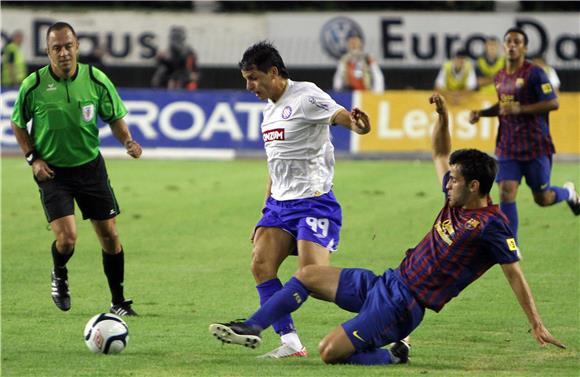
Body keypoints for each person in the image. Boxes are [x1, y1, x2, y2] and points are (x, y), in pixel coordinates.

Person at [209, 93, 565, 365]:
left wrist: (536, 323)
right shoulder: (455, 200)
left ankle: (394, 356)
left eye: (454, 180)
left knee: (328, 352)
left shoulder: (491, 225)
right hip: (387, 282)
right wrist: (442, 116)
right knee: (308, 274)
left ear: (474, 186)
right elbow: (441, 153)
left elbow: (515, 274)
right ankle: (252, 326)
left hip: (404, 306)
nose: (446, 183)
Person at [235, 41, 371, 359]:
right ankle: (291, 344)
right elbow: (275, 164)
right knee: (260, 265)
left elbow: (341, 116)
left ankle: (387, 307)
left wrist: (359, 125)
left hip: (313, 202)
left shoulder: (306, 95)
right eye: (245, 78)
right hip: (278, 206)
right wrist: (264, 210)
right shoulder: (268, 114)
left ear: (273, 72)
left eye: (253, 77)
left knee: (313, 279)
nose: (249, 86)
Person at [10, 22, 142, 316]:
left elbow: (114, 118)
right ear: (47, 51)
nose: (64, 52)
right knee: (67, 239)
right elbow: (17, 122)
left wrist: (128, 141)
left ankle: (118, 301)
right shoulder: (33, 85)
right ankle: (59, 272)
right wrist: (33, 159)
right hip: (53, 172)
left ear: (77, 47)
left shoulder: (95, 79)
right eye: (57, 47)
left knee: (110, 235)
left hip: (90, 168)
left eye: (68, 45)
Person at [469, 28, 580, 240]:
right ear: (504, 46)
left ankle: (568, 192)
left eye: (517, 42)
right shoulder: (500, 76)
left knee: (543, 198)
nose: (512, 45)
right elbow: (503, 106)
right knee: (506, 192)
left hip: (536, 146)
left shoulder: (535, 73)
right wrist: (482, 113)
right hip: (507, 146)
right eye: (508, 41)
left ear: (524, 47)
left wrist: (521, 109)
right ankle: (512, 245)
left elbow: (553, 103)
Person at [151, 26, 199, 90]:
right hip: (169, 73)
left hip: (183, 73)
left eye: (178, 37)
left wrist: (192, 78)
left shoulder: (188, 52)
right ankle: (159, 92)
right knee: (160, 75)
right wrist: (161, 59)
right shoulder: (166, 52)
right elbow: (164, 65)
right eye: (174, 37)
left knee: (188, 78)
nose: (175, 40)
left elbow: (192, 69)